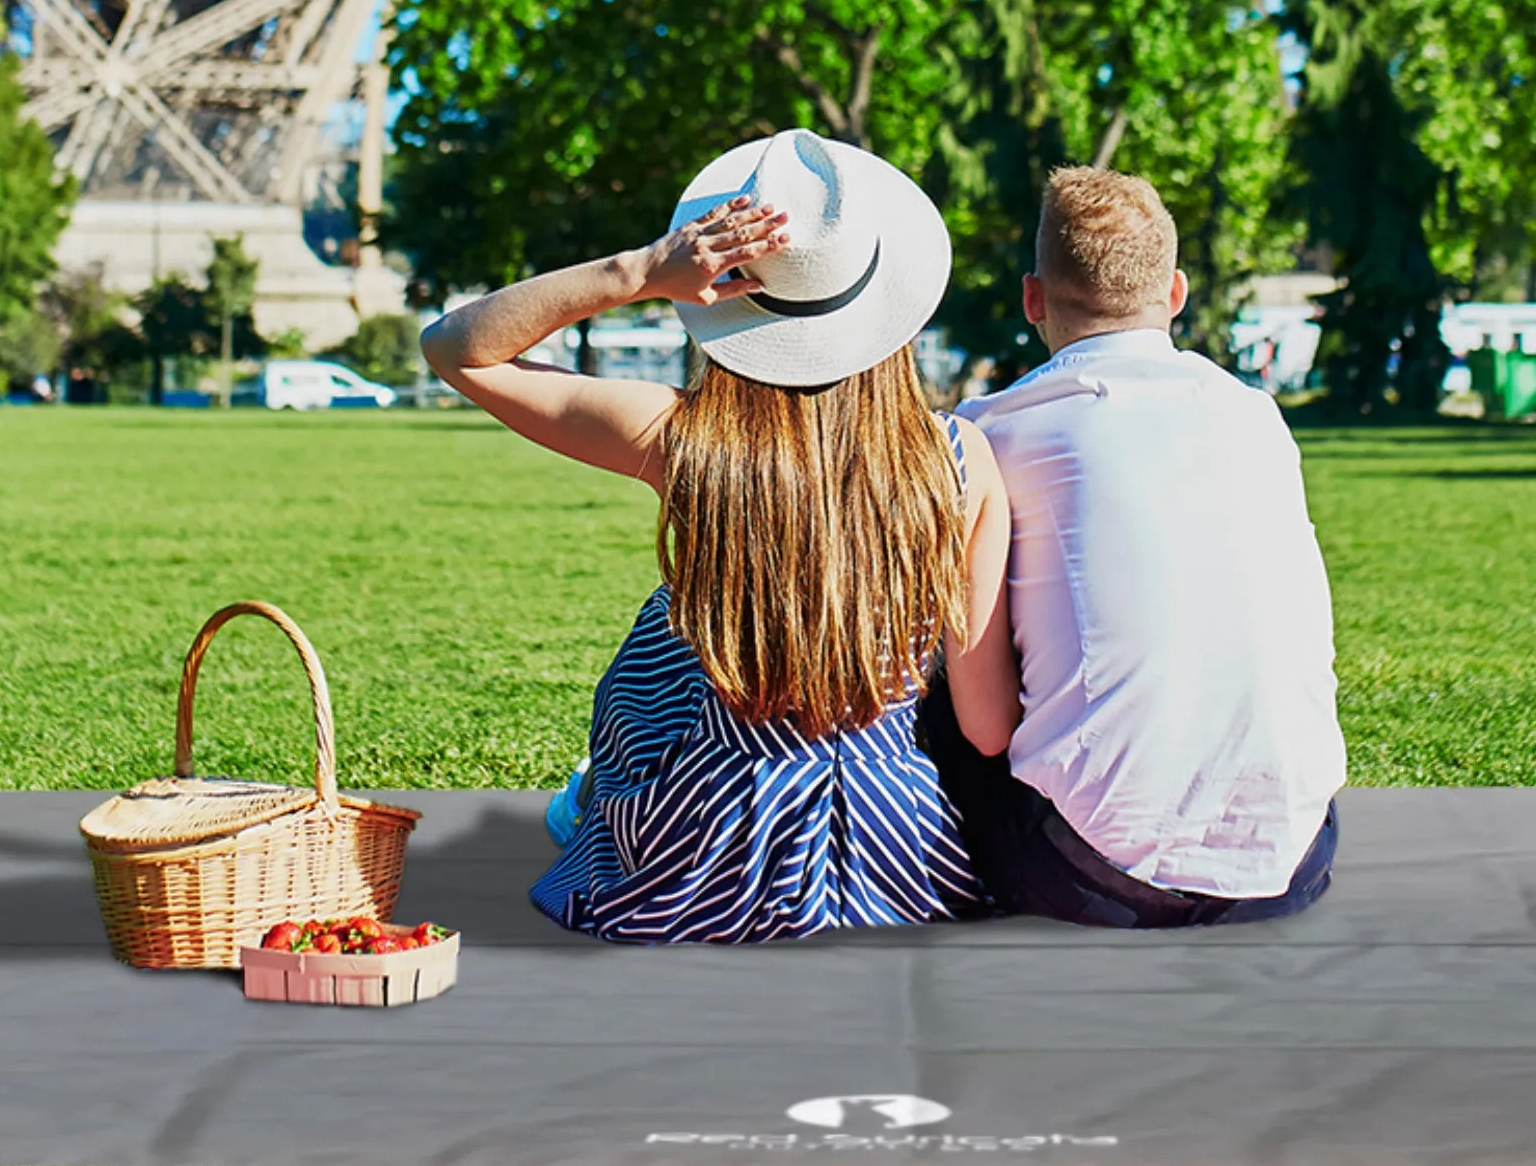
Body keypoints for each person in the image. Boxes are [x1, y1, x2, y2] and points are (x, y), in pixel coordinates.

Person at [420, 127, 1018, 942]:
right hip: (898, 852)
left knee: (666, 622)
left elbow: (458, 350)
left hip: (701, 852)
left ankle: (599, 796)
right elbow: (986, 725)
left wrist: (637, 272)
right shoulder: (959, 459)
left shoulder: (682, 438)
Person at [919, 166, 1344, 928]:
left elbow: (984, 729)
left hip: (1088, 872)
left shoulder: (992, 433)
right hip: (1292, 858)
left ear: (1032, 299)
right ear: (1175, 293)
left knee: (927, 661)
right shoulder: (1256, 418)